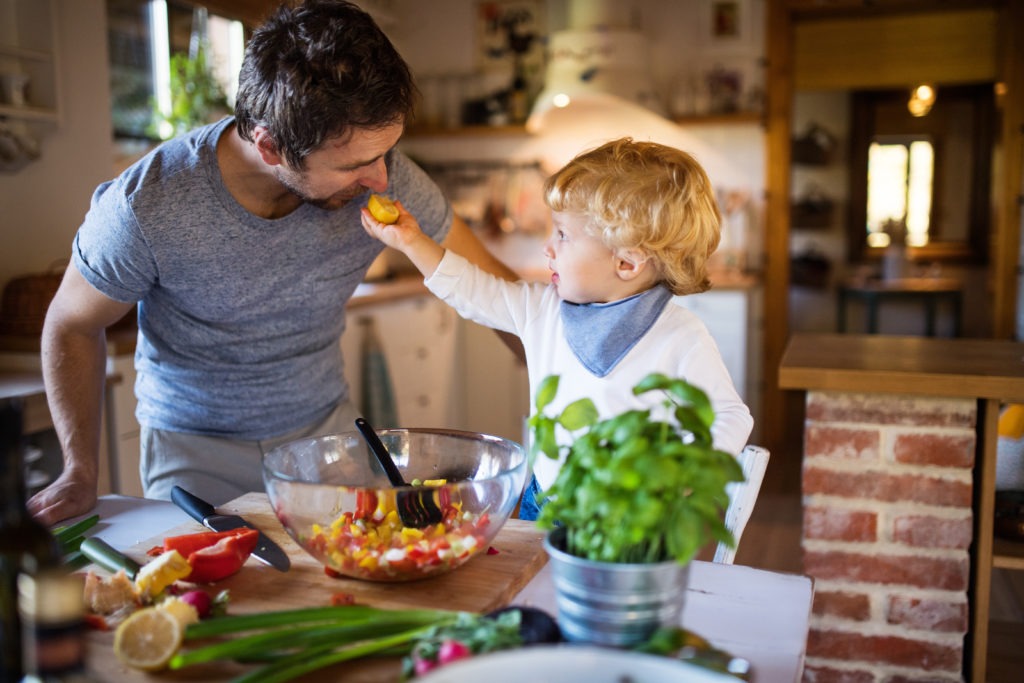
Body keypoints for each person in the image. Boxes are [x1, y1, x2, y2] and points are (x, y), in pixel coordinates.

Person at [28, 0, 518, 525]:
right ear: (269, 147)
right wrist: (79, 470)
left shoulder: (389, 175)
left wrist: (585, 385)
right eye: (354, 164)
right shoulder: (147, 204)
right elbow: (72, 325)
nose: (381, 180)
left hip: (328, 441)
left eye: (386, 153)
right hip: (195, 454)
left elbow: (497, 294)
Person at [361, 137, 754, 521]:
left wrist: (679, 481)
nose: (548, 247)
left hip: (629, 521)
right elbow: (471, 289)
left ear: (627, 263)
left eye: (564, 235)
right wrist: (411, 242)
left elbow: (731, 415)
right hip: (545, 503)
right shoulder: (542, 308)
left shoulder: (680, 335)